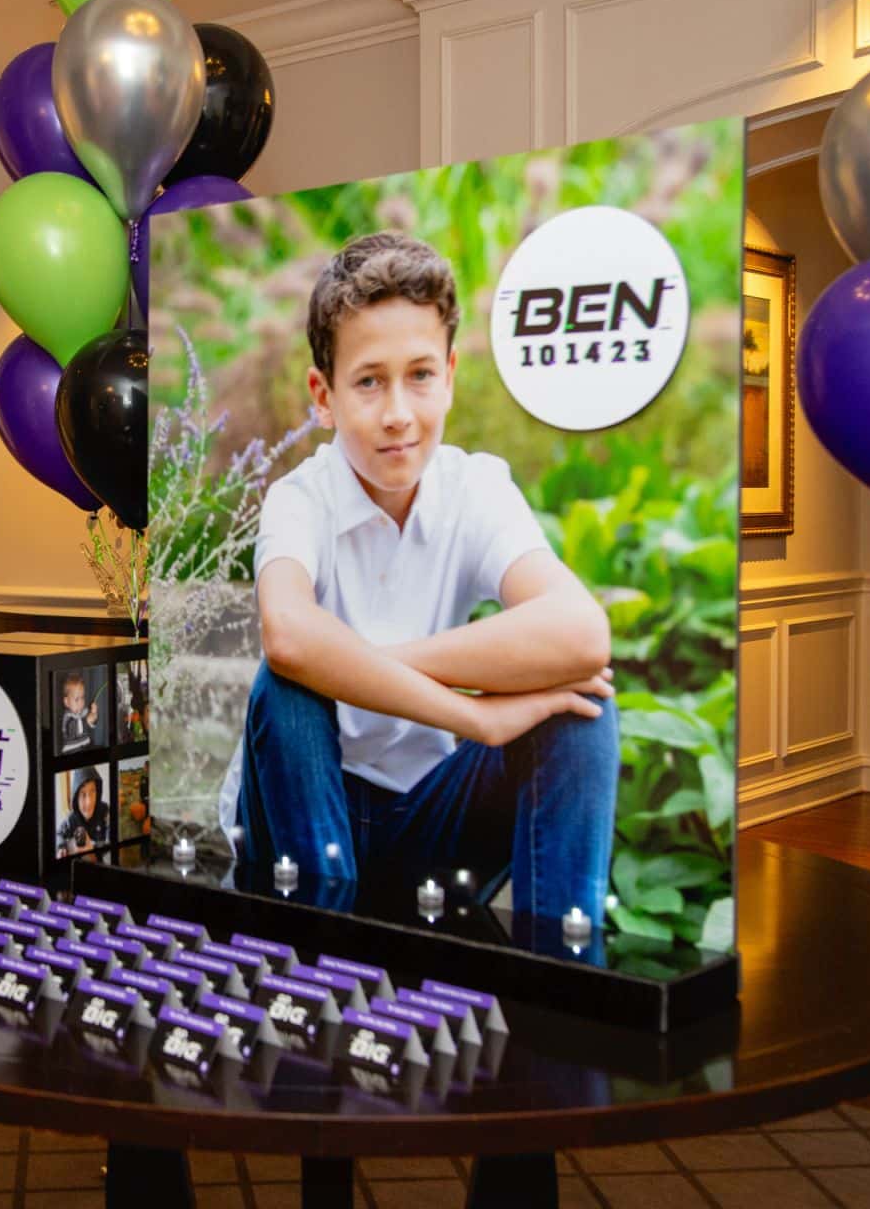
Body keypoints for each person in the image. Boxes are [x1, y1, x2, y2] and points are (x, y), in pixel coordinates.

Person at [232, 231, 620, 924]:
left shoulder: (474, 486)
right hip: (312, 811)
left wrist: (357, 667)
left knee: (582, 709)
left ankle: (561, 982)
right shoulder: (300, 499)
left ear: (449, 376)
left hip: (434, 819)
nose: (398, 415)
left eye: (419, 376)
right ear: (323, 396)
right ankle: (319, 967)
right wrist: (474, 715)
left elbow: (582, 633)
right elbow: (289, 635)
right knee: (288, 691)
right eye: (369, 381)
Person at [56, 768, 110, 857]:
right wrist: (61, 847)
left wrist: (93, 847)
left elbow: (113, 840)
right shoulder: (71, 819)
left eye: (93, 791)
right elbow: (58, 834)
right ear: (76, 797)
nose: (89, 802)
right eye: (83, 794)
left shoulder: (105, 811)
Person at [59, 672, 99, 752]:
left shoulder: (84, 711)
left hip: (86, 746)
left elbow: (92, 724)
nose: (81, 702)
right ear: (67, 702)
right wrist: (86, 721)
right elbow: (73, 728)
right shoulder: (67, 717)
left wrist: (94, 714)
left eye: (82, 697)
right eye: (77, 699)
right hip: (72, 750)